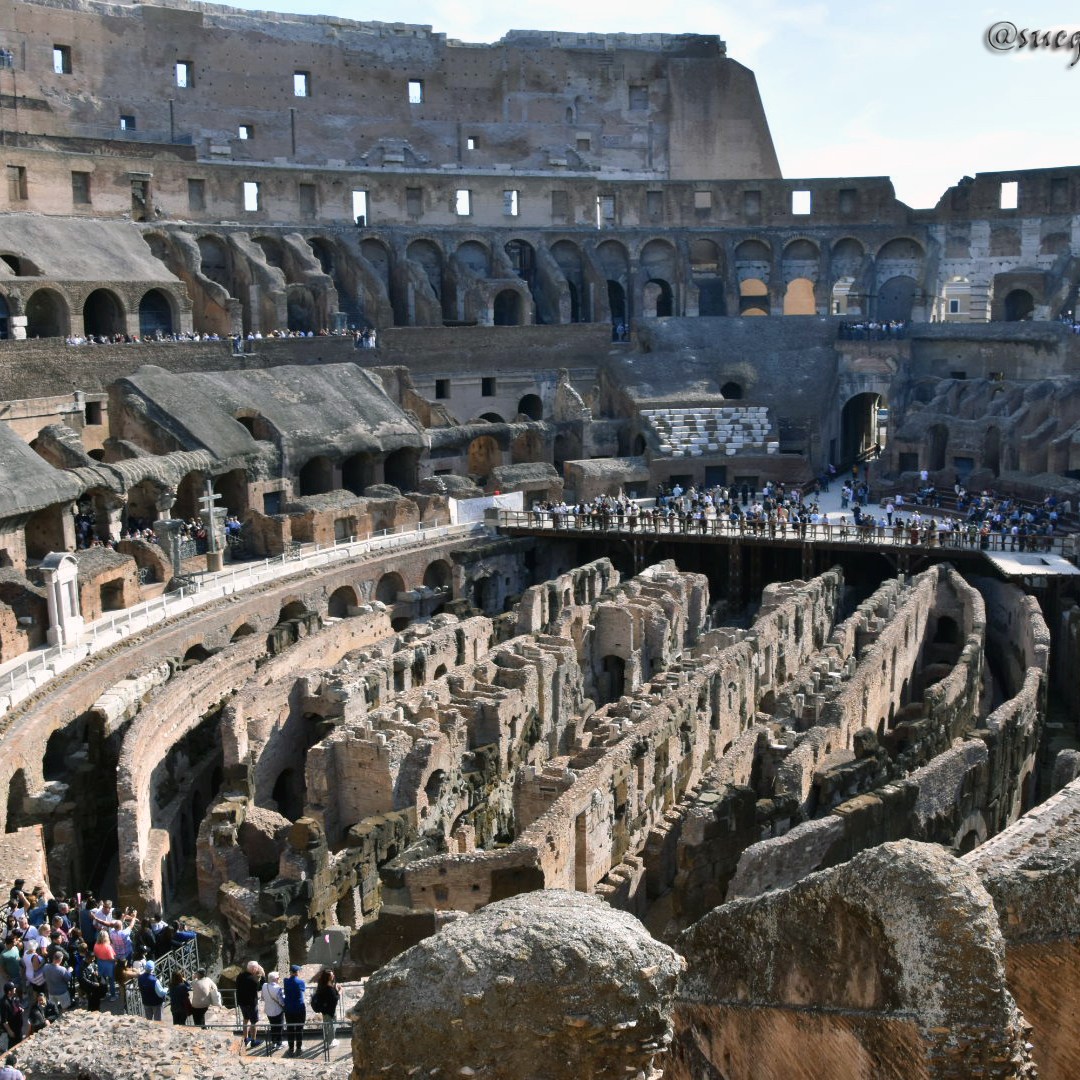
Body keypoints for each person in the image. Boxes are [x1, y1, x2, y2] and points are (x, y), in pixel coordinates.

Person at [236, 960, 264, 1048]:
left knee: (245, 1019)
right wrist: (263, 975)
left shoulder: (240, 976)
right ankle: (253, 1041)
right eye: (256, 968)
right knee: (253, 1022)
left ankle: (245, 1039)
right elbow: (260, 987)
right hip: (251, 1004)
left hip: (242, 1002)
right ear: (254, 969)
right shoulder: (252, 979)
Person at [311, 969, 340, 1048]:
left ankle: (329, 1040)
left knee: (329, 1025)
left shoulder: (322, 985)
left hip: (325, 1009)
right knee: (331, 1026)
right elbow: (334, 998)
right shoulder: (328, 988)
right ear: (328, 977)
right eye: (332, 975)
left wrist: (335, 989)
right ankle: (330, 1043)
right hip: (329, 1010)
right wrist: (339, 992)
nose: (333, 975)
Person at [282, 964, 306, 1057]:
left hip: (288, 1008)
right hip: (299, 1008)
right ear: (297, 972)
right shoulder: (300, 982)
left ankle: (291, 1048)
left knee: (290, 1029)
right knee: (299, 1028)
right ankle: (299, 1048)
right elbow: (303, 990)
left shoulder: (286, 981)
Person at [261, 971, 286, 1051]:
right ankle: (279, 1043)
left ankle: (274, 1042)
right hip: (277, 1011)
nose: (279, 979)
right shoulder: (277, 988)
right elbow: (281, 1002)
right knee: (279, 1027)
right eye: (278, 978)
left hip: (268, 1010)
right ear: (275, 979)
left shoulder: (264, 986)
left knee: (273, 1026)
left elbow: (262, 998)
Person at [93, 929, 117, 999]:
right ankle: (113, 996)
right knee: (111, 981)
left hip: (100, 963)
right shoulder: (108, 947)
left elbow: (96, 954)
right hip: (109, 965)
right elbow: (111, 958)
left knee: (102, 980)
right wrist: (117, 960)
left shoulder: (95, 945)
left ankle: (103, 995)